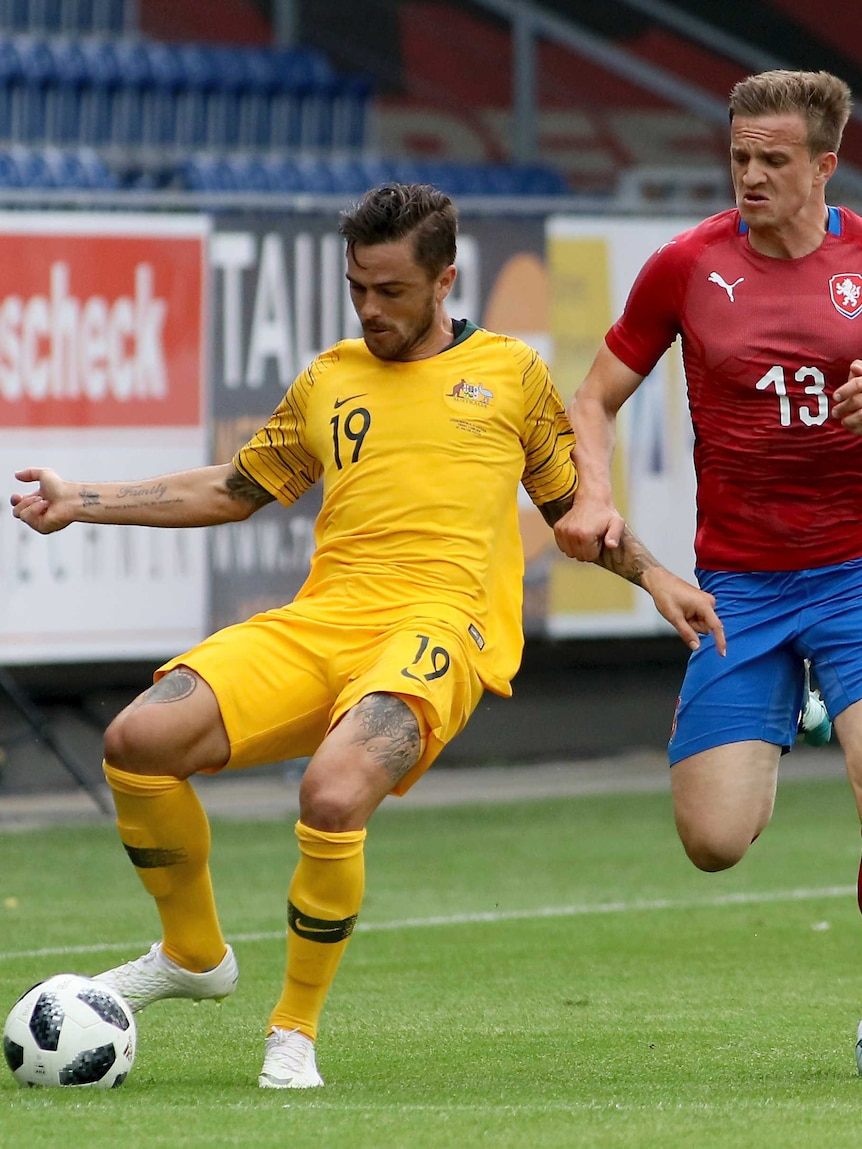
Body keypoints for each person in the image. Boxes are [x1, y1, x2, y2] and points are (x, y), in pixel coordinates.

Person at [11, 183, 723, 1090]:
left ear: (445, 280)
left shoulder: (512, 374)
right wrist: (86, 502)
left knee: (333, 791)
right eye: (357, 288)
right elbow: (237, 488)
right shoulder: (329, 376)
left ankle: (293, 1031)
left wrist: (658, 576)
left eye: (390, 290)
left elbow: (574, 513)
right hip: (325, 618)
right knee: (137, 741)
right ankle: (193, 955)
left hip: (443, 628)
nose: (370, 309)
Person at [553, 69, 862, 1067]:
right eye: (738, 155)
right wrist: (593, 498)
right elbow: (590, 399)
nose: (749, 175)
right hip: (742, 586)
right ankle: (803, 709)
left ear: (825, 164)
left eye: (773, 160)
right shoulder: (684, 267)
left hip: (857, 572)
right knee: (713, 841)